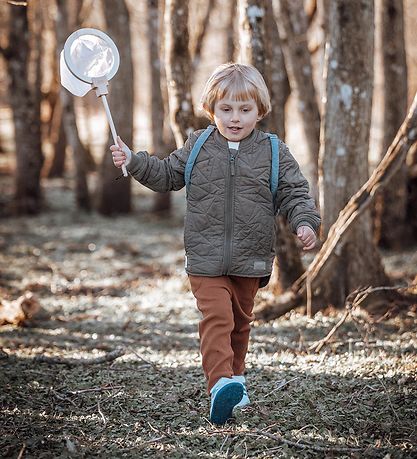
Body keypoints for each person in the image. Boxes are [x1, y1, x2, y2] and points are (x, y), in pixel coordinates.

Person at [111, 63, 321, 425]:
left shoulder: (273, 151)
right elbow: (166, 175)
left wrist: (305, 222)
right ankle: (219, 383)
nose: (235, 118)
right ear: (212, 110)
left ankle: (235, 382)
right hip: (205, 256)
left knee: (240, 323)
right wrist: (134, 161)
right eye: (226, 109)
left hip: (251, 257)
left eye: (244, 109)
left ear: (260, 110)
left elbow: (294, 192)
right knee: (218, 317)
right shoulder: (198, 145)